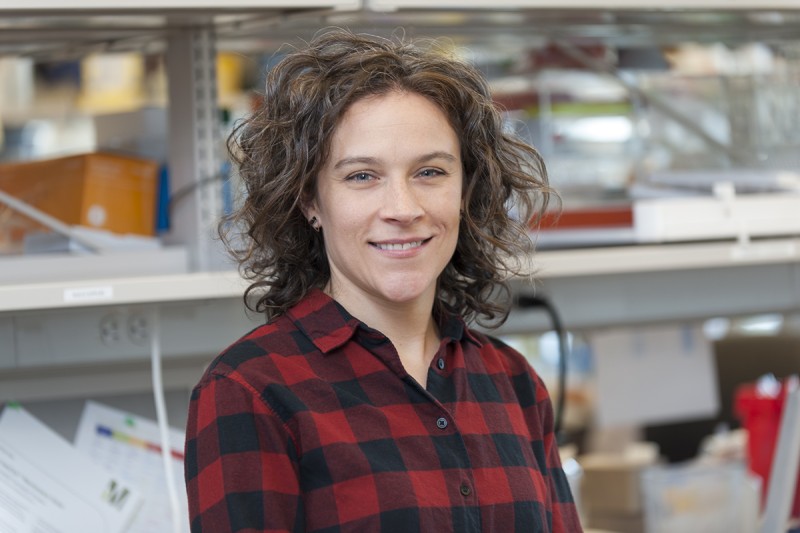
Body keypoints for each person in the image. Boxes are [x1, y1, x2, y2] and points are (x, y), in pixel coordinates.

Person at [184, 28, 583, 533]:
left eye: (430, 172)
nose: (403, 209)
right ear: (310, 201)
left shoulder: (514, 381)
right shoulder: (250, 390)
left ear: (467, 190)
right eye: (362, 176)